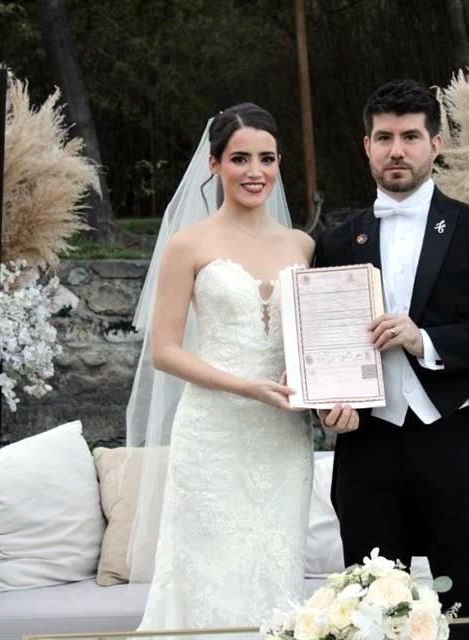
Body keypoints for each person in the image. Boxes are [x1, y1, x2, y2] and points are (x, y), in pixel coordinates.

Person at [314, 79, 469, 633]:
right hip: (367, 445)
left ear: (435, 145)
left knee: (466, 605)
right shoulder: (337, 242)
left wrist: (426, 341)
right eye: (384, 137)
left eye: (411, 136)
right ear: (366, 146)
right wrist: (326, 405)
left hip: (455, 441)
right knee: (366, 609)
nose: (397, 149)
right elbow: (319, 345)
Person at [128, 103, 314, 633]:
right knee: (206, 570)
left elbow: (317, 341)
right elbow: (165, 350)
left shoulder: (303, 246)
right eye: (240, 158)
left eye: (267, 158)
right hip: (212, 433)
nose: (255, 171)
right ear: (214, 164)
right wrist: (246, 387)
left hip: (282, 436)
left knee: (273, 568)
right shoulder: (189, 244)